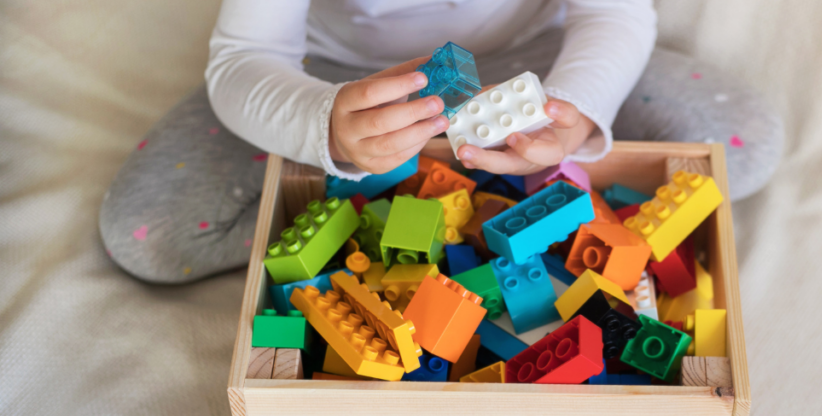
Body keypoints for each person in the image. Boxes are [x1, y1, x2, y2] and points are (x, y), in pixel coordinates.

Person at [100, 0, 783, 284]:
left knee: (741, 143)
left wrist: (580, 104)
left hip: (534, 59)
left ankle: (442, 189)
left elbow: (616, 14)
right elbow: (245, 58)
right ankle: (376, 203)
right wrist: (322, 125)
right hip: (334, 78)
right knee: (148, 236)